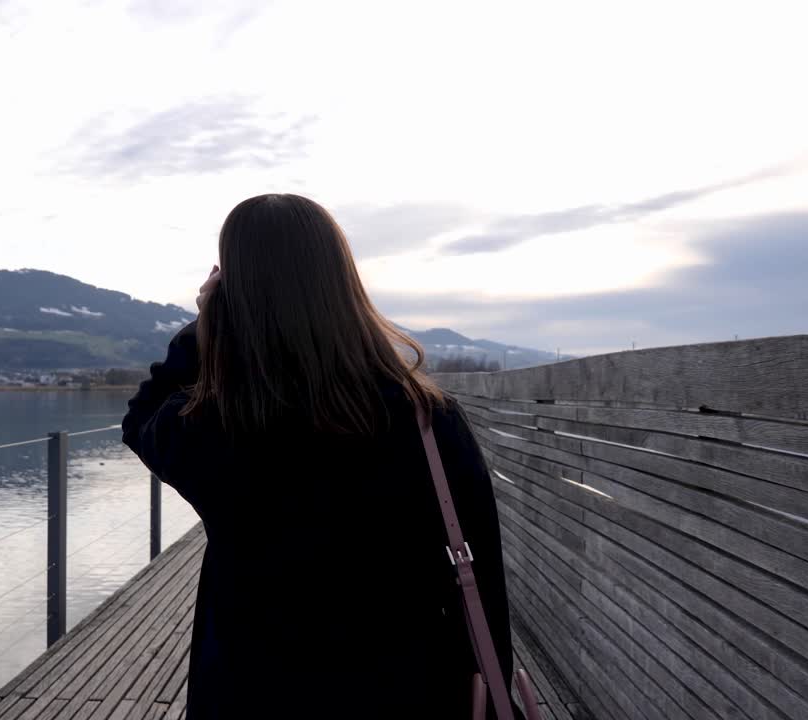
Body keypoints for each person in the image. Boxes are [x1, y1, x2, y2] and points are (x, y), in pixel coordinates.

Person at [121, 194, 524, 719]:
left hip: (250, 692)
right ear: (341, 284)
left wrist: (203, 329)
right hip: (406, 691)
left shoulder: (212, 428)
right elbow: (482, 574)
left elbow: (140, 418)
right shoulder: (425, 417)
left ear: (233, 294)